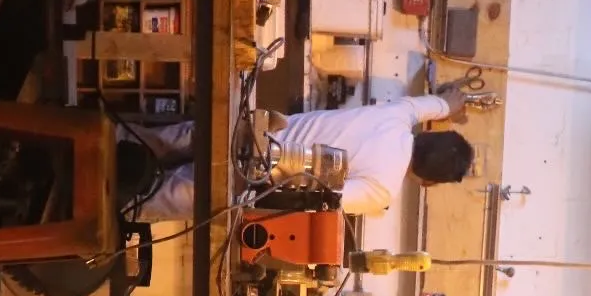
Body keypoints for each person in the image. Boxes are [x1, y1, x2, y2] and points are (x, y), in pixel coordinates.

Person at [128, 88, 475, 222]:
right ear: (428, 182)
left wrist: (449, 106)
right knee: (142, 202)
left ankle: (82, 134)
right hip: (243, 181)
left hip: (245, 132)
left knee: (141, 141)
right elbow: (317, 199)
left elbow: (442, 101)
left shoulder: (400, 115)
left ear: (431, 132)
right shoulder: (382, 190)